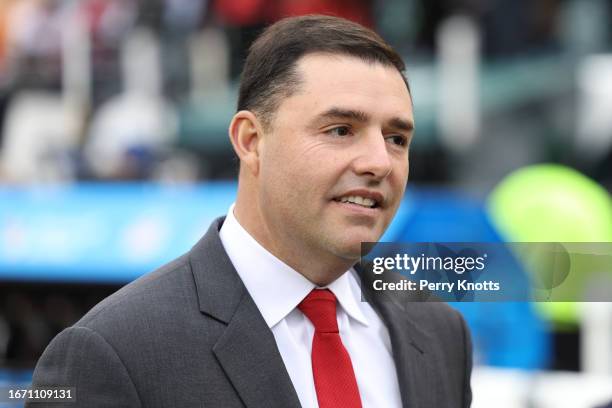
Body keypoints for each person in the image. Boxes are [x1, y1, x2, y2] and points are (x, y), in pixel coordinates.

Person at [29, 15, 472, 407]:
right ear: (250, 141)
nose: (378, 161)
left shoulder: (440, 330)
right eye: (341, 129)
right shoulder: (113, 351)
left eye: (397, 138)